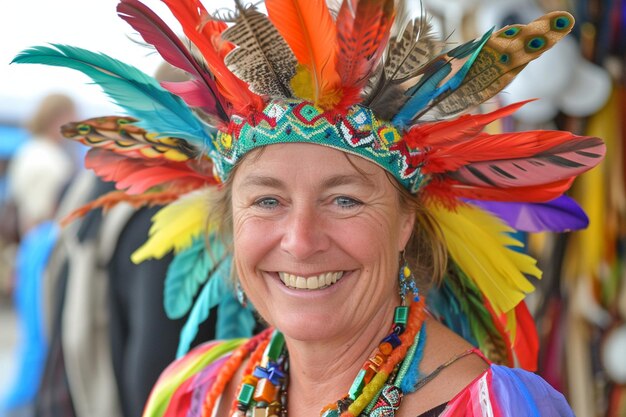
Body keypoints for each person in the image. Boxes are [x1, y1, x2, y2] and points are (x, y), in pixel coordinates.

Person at [13, 1, 606, 416]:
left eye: (343, 199)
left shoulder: (497, 408)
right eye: (267, 200)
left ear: (405, 223)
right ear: (229, 223)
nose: (299, 240)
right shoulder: (192, 390)